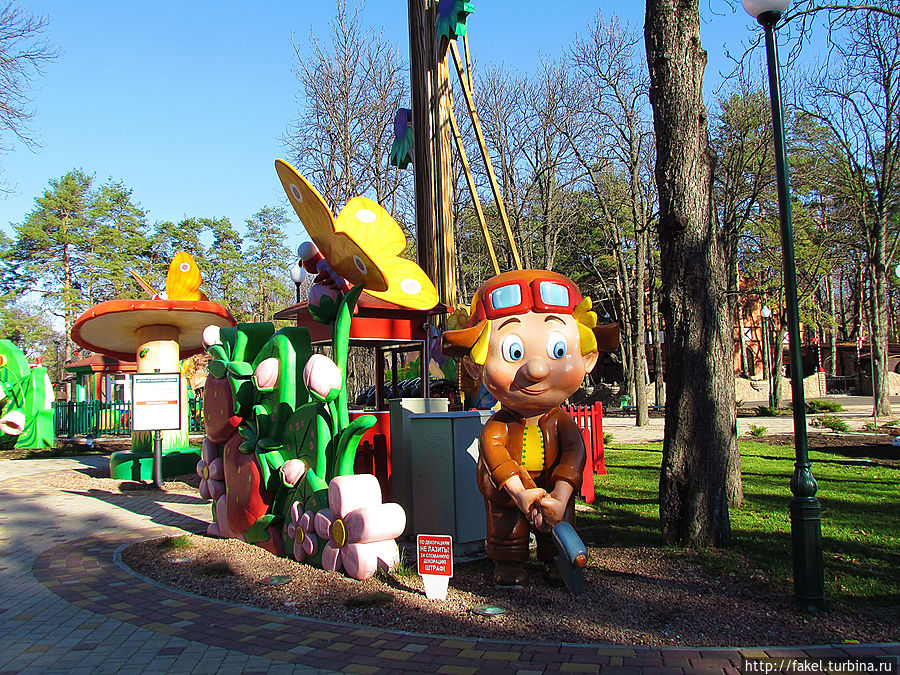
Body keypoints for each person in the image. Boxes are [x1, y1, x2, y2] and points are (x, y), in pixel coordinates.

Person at [443, 270, 610, 587]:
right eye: (514, 353)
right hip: (508, 493)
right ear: (475, 366)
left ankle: (555, 559)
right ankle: (508, 563)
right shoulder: (499, 425)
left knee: (559, 524)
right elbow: (494, 455)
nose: (537, 368)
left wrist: (561, 494)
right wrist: (518, 492)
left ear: (587, 358)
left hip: (552, 486)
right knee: (507, 527)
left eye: (558, 350)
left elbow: (575, 452)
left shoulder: (561, 422)